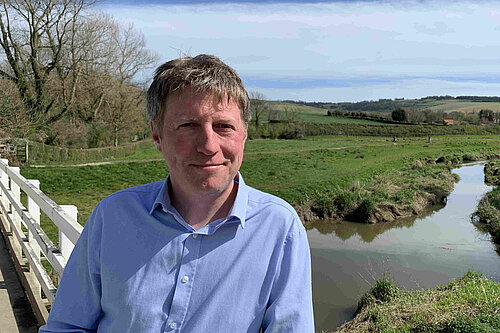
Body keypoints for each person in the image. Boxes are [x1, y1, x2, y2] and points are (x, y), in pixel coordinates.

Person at [39, 54, 314, 332]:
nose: (208, 145)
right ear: (157, 135)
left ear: (243, 134)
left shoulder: (279, 229)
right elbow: (67, 327)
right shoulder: (112, 217)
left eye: (223, 126)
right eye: (188, 126)